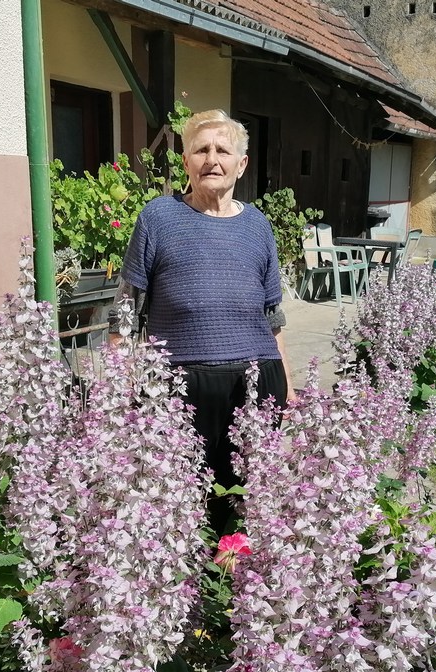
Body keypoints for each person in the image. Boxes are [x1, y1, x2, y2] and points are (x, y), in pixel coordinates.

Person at [115, 109, 293, 530]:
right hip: (178, 382)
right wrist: (119, 384)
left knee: (250, 494)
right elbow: (126, 308)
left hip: (255, 379)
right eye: (201, 150)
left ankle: (236, 581)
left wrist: (286, 385)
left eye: (222, 150)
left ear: (241, 164)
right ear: (186, 163)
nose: (212, 159)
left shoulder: (258, 226)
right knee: (176, 495)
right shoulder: (158, 217)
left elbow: (273, 315)